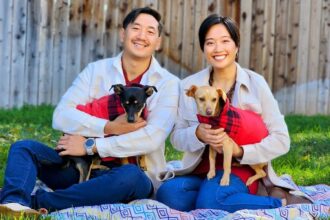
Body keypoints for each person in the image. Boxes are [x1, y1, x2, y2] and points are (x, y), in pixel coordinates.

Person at [0, 7, 179, 217]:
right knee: (24, 147)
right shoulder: (96, 71)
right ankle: (12, 203)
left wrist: (91, 146)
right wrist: (108, 127)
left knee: (129, 176)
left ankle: (35, 202)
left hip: (130, 177)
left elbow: (152, 138)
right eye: (136, 28)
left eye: (150, 31)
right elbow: (61, 116)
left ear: (158, 41)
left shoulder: (168, 84)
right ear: (123, 33)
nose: (141, 36)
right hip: (80, 170)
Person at [156, 14, 311, 213]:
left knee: (210, 202)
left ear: (236, 46)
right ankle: (222, 198)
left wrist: (240, 152)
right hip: (200, 171)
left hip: (241, 170)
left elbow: (282, 140)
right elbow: (176, 138)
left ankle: (282, 204)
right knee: (169, 194)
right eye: (210, 43)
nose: (218, 49)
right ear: (203, 48)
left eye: (225, 41)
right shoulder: (189, 86)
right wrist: (197, 134)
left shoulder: (256, 84)